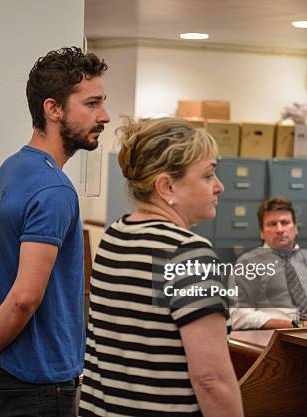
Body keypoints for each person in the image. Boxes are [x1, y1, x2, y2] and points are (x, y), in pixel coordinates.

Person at [0, 46, 110, 417]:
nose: (105, 116)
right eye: (92, 104)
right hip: (38, 384)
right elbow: (24, 298)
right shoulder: (54, 189)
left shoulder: (11, 170)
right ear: (53, 109)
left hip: (1, 374)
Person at [79, 117, 244, 417]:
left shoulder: (114, 236)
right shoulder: (189, 253)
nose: (219, 186)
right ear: (167, 186)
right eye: (208, 176)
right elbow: (211, 380)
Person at [230, 197, 307, 330]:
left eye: (285, 222)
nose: (280, 229)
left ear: (295, 228)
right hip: (276, 338)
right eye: (272, 224)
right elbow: (239, 317)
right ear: (261, 233)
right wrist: (297, 326)